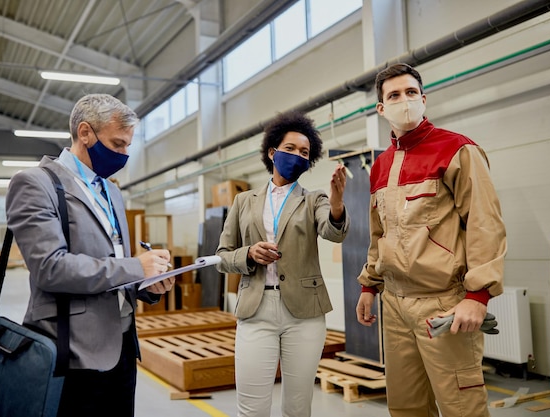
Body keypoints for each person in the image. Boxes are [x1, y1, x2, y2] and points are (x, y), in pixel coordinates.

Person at [5, 93, 175, 417]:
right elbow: (50, 267)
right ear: (85, 133)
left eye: (128, 145)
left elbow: (115, 260)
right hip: (73, 353)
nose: (124, 154)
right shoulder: (36, 184)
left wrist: (147, 284)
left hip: (123, 348)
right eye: (117, 144)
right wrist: (135, 267)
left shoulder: (111, 190)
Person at [355, 63, 507, 417]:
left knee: (461, 407)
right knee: (406, 406)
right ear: (381, 108)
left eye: (411, 93)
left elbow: (485, 224)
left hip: (443, 304)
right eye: (394, 95)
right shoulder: (380, 167)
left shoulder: (457, 149)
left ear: (423, 99)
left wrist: (478, 295)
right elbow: (380, 234)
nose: (404, 101)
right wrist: (369, 285)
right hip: (394, 305)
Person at [216, 110, 349, 417]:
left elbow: (332, 231)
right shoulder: (243, 201)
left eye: (305, 152)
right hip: (255, 309)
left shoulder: (314, 200)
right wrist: (248, 254)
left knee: (298, 406)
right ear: (272, 152)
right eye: (290, 149)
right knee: (251, 406)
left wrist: (338, 204)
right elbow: (222, 255)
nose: (297, 156)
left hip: (304, 313)